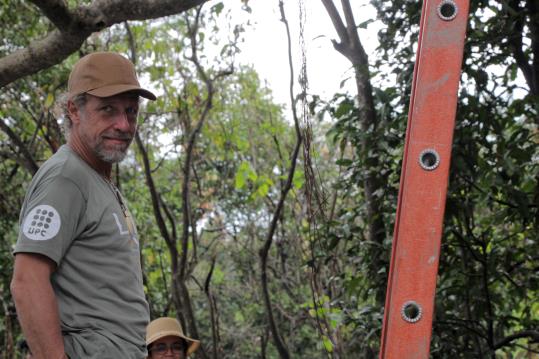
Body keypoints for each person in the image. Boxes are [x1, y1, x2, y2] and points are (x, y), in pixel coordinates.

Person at [10, 51, 157, 359]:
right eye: (107, 110)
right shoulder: (67, 177)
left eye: (131, 111)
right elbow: (27, 281)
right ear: (73, 111)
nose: (123, 125)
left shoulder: (96, 179)